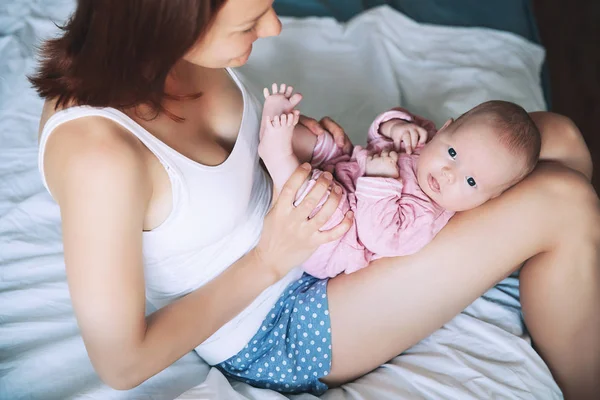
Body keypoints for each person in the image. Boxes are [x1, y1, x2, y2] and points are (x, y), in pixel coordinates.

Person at [29, 0, 599, 398]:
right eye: (253, 18)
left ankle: (569, 291)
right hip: (280, 317)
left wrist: (305, 140)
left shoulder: (170, 52)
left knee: (556, 135)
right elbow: (122, 363)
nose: (275, 27)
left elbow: (241, 160)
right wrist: (269, 259)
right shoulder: (98, 159)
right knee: (563, 200)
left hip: (320, 221)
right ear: (178, 13)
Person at [259, 86, 541, 278]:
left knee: (324, 201)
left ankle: (277, 155)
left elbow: (378, 235)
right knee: (326, 142)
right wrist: (395, 126)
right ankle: (277, 128)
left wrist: (380, 179)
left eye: (469, 181)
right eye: (452, 153)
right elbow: (378, 135)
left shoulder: (425, 218)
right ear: (444, 128)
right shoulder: (425, 140)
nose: (448, 173)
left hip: (334, 238)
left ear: (486, 199)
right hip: (345, 169)